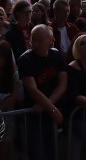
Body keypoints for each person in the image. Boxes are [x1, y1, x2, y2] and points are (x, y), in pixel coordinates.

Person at [17, 24, 67, 160]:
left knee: (52, 151)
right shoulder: (25, 59)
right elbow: (32, 89)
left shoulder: (57, 55)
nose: (35, 43)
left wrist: (49, 106)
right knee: (37, 152)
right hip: (34, 113)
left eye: (40, 39)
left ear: (51, 40)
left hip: (47, 109)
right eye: (34, 39)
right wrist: (52, 109)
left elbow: (63, 83)